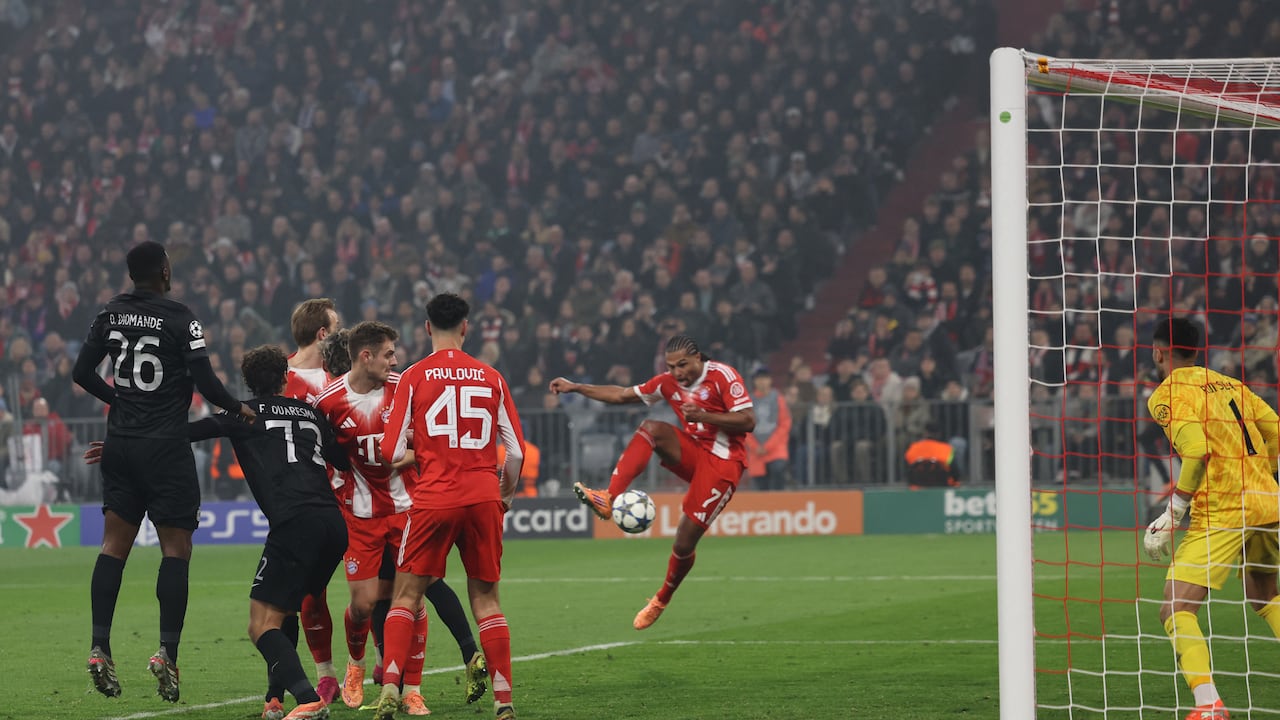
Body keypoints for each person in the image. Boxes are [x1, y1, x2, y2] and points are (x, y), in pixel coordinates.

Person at [90, 345, 351, 720]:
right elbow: (342, 459)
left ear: (247, 382)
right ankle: (274, 701)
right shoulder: (310, 412)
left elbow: (180, 432)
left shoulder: (241, 414)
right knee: (284, 611)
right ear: (284, 378)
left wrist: (120, 443)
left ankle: (308, 700)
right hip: (332, 525)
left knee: (260, 625)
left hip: (295, 525)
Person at [72, 240, 255, 702]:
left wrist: (121, 401)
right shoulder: (182, 318)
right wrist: (238, 408)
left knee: (113, 545)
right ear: (164, 272)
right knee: (176, 548)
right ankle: (166, 655)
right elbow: (208, 382)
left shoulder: (109, 313)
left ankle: (99, 646)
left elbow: (80, 372)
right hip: (166, 450)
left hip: (121, 446)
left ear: (133, 275)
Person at [314, 321, 487, 713]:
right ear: (366, 356)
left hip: (408, 507)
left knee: (415, 599)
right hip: (358, 513)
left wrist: (403, 458)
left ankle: (412, 689)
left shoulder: (406, 387)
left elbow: (429, 442)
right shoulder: (327, 403)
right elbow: (324, 455)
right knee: (363, 604)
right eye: (390, 354)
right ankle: (356, 665)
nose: (397, 360)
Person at [374, 293, 524, 720]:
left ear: (426, 328)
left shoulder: (413, 377)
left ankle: (390, 688)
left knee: (405, 596)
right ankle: (503, 699)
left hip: (434, 499)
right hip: (481, 499)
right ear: (466, 327)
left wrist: (421, 449)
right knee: (487, 602)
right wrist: (504, 498)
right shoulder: (491, 376)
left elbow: (387, 450)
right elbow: (513, 453)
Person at [550, 334, 756, 629]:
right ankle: (609, 498)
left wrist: (704, 415)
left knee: (684, 542)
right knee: (652, 429)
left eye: (683, 365)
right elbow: (621, 395)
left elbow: (748, 420)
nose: (677, 373)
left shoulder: (723, 376)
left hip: (724, 465)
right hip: (695, 452)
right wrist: (577, 387)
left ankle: (661, 599)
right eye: (671, 367)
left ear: (699, 357)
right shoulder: (667, 383)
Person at [1143, 317, 1280, 720]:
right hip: (1268, 501)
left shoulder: (1167, 394)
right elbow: (1275, 430)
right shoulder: (1229, 383)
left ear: (1159, 351)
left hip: (1222, 509)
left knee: (1175, 607)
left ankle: (1209, 707)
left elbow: (1198, 451)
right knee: (1265, 595)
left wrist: (1174, 511)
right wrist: (1261, 474)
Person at [283, 298, 342, 704]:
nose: (343, 333)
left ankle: (376, 665)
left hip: (354, 493)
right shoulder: (280, 377)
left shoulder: (343, 374)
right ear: (323, 333)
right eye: (337, 327)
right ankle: (326, 675)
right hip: (307, 499)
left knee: (371, 588)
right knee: (310, 592)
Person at [744, 369, 790, 490]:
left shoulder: (778, 398)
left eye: (765, 378)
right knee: (761, 488)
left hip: (776, 449)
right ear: (754, 381)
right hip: (756, 453)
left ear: (770, 380)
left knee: (778, 471)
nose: (762, 382)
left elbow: (784, 423)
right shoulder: (749, 401)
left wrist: (767, 446)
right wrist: (755, 447)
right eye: (759, 379)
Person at [903, 423, 958, 488]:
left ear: (925, 433)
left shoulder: (913, 448)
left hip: (917, 487)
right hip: (942, 487)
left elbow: (907, 470)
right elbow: (955, 472)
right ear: (939, 434)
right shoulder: (947, 449)